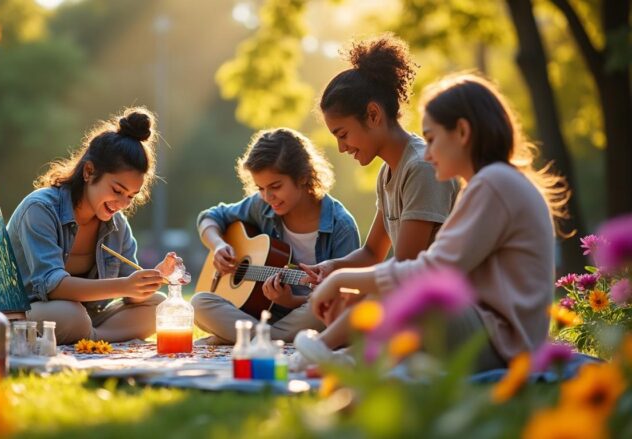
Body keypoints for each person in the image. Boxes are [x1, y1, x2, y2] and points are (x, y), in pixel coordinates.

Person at [309, 73, 569, 371]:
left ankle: (332, 354)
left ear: (461, 132)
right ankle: (343, 360)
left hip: (504, 342)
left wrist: (342, 279)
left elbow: (427, 271)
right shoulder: (489, 184)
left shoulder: (493, 184)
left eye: (432, 139)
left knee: (415, 293)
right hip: (495, 334)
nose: (428, 154)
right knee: (394, 295)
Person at [296, 34, 458, 354]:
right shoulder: (388, 174)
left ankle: (322, 348)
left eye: (343, 135)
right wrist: (334, 269)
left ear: (373, 114)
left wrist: (347, 290)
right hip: (408, 297)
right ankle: (332, 347)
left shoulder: (421, 167)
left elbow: (403, 268)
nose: (341, 148)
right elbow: (372, 253)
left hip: (441, 308)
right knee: (344, 304)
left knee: (356, 306)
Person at [7, 107, 178, 345]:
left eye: (131, 196)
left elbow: (131, 294)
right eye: (117, 190)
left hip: (87, 317)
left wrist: (151, 280)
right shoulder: (40, 209)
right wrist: (124, 286)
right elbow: (52, 286)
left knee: (159, 305)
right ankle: (93, 336)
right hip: (28, 310)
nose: (122, 203)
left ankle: (91, 337)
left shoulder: (117, 225)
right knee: (71, 316)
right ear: (89, 171)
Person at [191, 128, 360, 344]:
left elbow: (345, 295)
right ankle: (269, 339)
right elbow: (209, 217)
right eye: (260, 188)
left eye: (276, 186)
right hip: (260, 312)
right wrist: (218, 245)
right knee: (198, 303)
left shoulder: (341, 226)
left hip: (307, 312)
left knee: (322, 305)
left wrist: (289, 300)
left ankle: (246, 337)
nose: (268, 196)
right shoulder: (261, 206)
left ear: (303, 177)